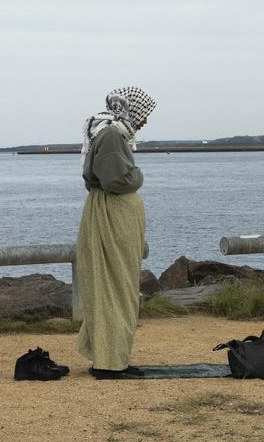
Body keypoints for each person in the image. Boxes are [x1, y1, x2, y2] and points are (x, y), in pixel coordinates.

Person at [75, 86, 157, 379]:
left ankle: (111, 357)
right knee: (115, 286)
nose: (145, 121)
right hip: (112, 215)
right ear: (130, 109)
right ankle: (109, 362)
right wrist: (139, 176)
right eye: (143, 115)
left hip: (110, 213)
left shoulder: (111, 132)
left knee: (115, 285)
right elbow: (116, 180)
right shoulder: (111, 135)